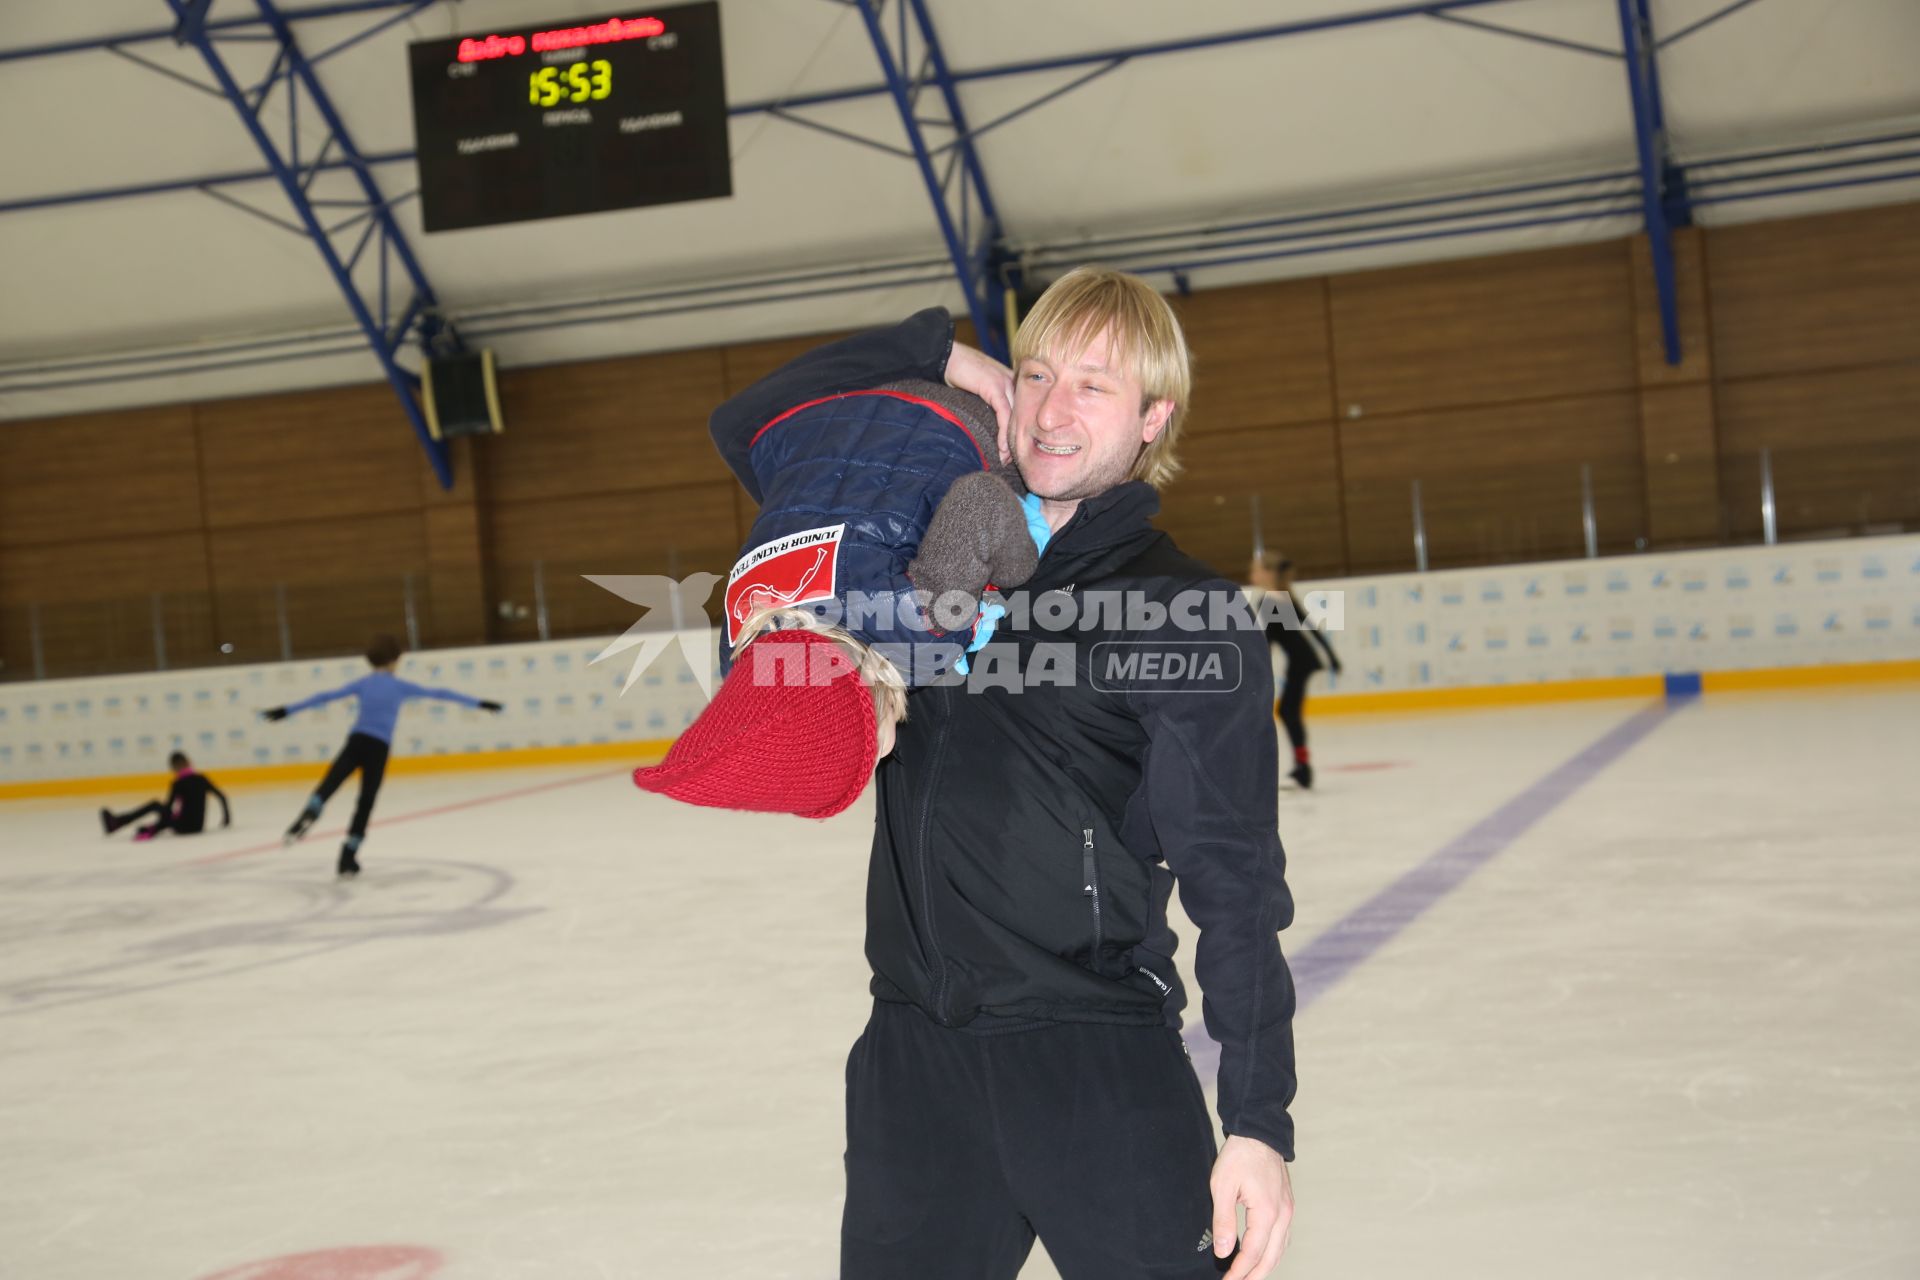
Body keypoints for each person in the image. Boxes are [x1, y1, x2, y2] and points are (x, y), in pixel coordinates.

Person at [709, 267, 1298, 1280]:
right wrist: (941, 354)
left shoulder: (1180, 611)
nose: (1052, 411)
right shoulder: (924, 559)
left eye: (1094, 386)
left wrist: (1256, 1120)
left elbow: (1237, 887)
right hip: (914, 1066)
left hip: (1094, 1061)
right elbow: (749, 424)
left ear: (1155, 416)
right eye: (1036, 375)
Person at [633, 328, 1037, 818]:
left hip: (949, 421)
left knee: (1035, 499)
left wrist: (1019, 570)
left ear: (875, 715)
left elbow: (982, 501)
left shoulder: (915, 634)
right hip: (811, 425)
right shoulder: (739, 646)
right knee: (736, 430)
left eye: (871, 754)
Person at [259, 634, 501, 878]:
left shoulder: (363, 683)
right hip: (378, 747)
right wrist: (480, 703)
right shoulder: (400, 686)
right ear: (394, 660)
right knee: (365, 802)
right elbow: (439, 693)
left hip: (356, 741)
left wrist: (286, 711)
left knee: (330, 783)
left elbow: (325, 697)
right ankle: (348, 856)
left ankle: (312, 809)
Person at [1250, 551, 1341, 790]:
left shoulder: (1270, 600)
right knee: (1288, 712)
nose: (1252, 573)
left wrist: (1258, 671)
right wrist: (1332, 658)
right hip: (1304, 661)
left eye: (1256, 569)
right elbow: (1311, 629)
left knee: (1288, 712)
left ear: (1268, 573)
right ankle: (1302, 767)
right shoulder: (1282, 597)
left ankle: (1303, 769)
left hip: (1302, 662)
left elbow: (1268, 641)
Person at [100, 751, 230, 841]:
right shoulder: (202, 778)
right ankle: (118, 822)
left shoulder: (177, 783)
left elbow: (167, 809)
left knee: (155, 804)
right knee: (158, 806)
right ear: (189, 762)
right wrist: (226, 819)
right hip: (199, 827)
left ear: (174, 767)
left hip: (183, 828)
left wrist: (155, 828)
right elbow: (222, 797)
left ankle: (117, 822)